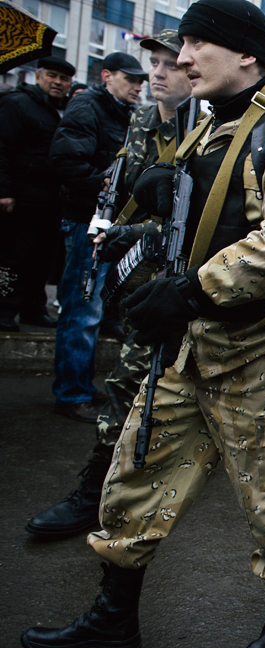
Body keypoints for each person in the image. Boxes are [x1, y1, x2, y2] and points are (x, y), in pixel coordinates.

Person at [21, 0, 265, 648]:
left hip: (259, 359)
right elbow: (196, 233)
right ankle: (113, 621)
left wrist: (192, 291)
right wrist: (140, 235)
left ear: (248, 55)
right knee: (133, 482)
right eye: (181, 45)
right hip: (185, 354)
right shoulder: (208, 130)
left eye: (198, 44)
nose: (182, 58)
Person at [24, 29, 193, 539]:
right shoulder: (142, 120)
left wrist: (134, 232)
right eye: (152, 66)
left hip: (188, 287)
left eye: (170, 64)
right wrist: (110, 229)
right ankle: (100, 494)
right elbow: (120, 184)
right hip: (140, 282)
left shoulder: (211, 132)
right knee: (126, 384)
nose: (158, 75)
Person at [48, 51, 146, 423]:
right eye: (131, 79)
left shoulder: (121, 112)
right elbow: (65, 161)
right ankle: (71, 393)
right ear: (107, 76)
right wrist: (107, 186)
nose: (139, 86)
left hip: (103, 224)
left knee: (92, 308)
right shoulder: (88, 106)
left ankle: (80, 387)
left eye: (141, 81)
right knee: (81, 309)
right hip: (86, 221)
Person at [0, 56, 75, 332]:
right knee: (12, 256)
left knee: (41, 258)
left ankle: (33, 309)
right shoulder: (16, 103)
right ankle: (4, 311)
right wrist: (4, 191)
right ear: (38, 76)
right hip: (19, 198)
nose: (58, 82)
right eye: (52, 76)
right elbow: (1, 148)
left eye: (64, 79)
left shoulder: (62, 110)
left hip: (49, 200)